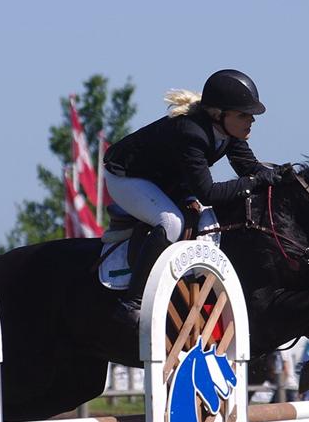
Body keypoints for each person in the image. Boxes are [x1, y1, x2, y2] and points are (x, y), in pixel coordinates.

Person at [102, 69, 285, 297]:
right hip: (126, 176)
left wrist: (282, 175)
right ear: (219, 114)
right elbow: (208, 193)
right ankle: (135, 300)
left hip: (167, 180)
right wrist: (255, 181)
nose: (252, 120)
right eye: (243, 115)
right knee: (171, 223)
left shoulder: (230, 131)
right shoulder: (192, 133)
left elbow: (249, 168)